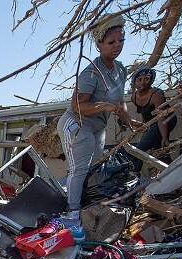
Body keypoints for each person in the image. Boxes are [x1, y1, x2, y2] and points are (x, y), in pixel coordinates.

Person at [57, 14, 136, 235]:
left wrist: (130, 122)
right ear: (99, 44)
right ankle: (72, 215)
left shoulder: (120, 69)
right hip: (77, 124)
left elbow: (120, 102)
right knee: (79, 168)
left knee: (90, 168)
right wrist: (103, 107)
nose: (117, 46)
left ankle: (78, 205)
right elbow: (77, 106)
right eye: (111, 42)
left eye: (121, 41)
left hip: (97, 129)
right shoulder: (91, 72)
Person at [131, 66, 177, 163]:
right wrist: (145, 127)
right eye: (139, 79)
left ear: (151, 81)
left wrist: (165, 137)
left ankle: (134, 171)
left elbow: (161, 117)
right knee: (159, 148)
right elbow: (144, 114)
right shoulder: (134, 97)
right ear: (134, 81)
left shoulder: (156, 95)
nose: (142, 82)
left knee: (140, 149)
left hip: (167, 119)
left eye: (146, 79)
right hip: (153, 123)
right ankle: (168, 168)